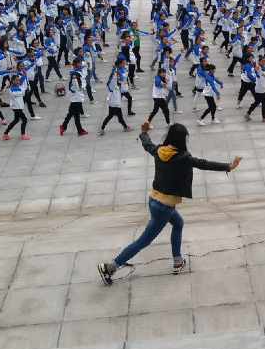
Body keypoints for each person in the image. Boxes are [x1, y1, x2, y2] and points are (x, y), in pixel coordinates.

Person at [98, 121, 242, 285]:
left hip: (154, 199)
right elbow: (204, 163)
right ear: (183, 139)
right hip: (164, 207)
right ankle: (110, 267)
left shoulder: (159, 151)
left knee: (178, 223)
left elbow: (147, 144)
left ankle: (177, 261)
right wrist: (230, 166)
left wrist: (144, 132)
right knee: (143, 242)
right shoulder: (183, 158)